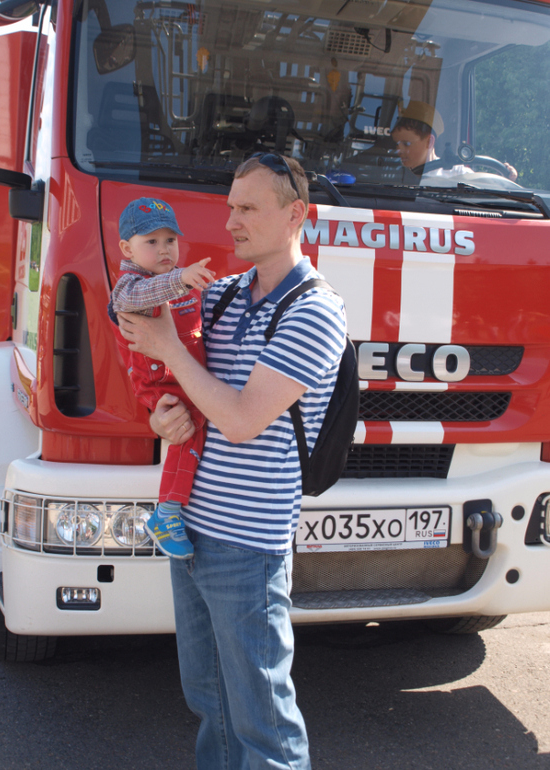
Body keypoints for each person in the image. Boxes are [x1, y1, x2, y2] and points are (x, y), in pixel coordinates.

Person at [117, 154, 347, 769]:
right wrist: (159, 417)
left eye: (247, 208)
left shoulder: (316, 310)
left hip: (249, 545)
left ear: (295, 214)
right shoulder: (219, 296)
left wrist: (169, 347)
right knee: (211, 707)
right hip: (189, 532)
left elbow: (243, 420)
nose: (231, 222)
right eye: (230, 207)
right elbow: (168, 376)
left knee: (262, 724)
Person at [108, 197, 215, 559]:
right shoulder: (129, 285)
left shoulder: (175, 280)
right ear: (127, 249)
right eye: (151, 241)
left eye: (170, 240)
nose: (164, 249)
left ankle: (174, 508)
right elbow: (137, 297)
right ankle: (167, 511)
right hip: (161, 384)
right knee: (187, 430)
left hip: (183, 376)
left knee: (194, 429)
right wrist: (180, 279)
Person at [391, 100, 518, 181]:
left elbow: (484, 190)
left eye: (406, 144)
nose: (399, 150)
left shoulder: (457, 174)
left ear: (429, 142)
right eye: (397, 144)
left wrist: (504, 179)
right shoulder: (394, 176)